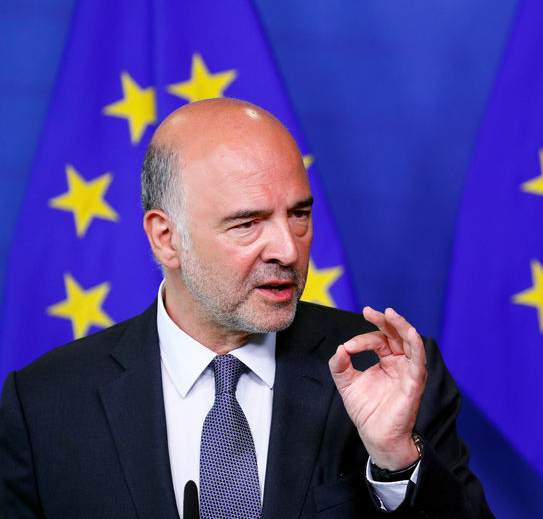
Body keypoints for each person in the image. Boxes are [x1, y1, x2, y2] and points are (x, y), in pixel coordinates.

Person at [0, 98, 492, 518]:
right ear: (166, 239)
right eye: (248, 223)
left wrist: (395, 462)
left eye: (299, 214)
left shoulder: (387, 370)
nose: (288, 249)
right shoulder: (44, 405)